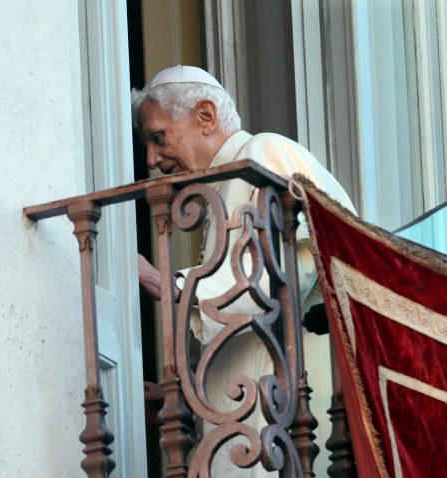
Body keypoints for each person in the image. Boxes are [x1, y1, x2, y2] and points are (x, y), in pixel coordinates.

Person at [132, 65, 354, 476]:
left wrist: (172, 284)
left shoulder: (264, 153)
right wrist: (178, 396)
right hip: (246, 428)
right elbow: (235, 324)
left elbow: (283, 270)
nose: (152, 159)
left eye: (158, 137)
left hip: (292, 414)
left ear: (205, 115)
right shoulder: (223, 186)